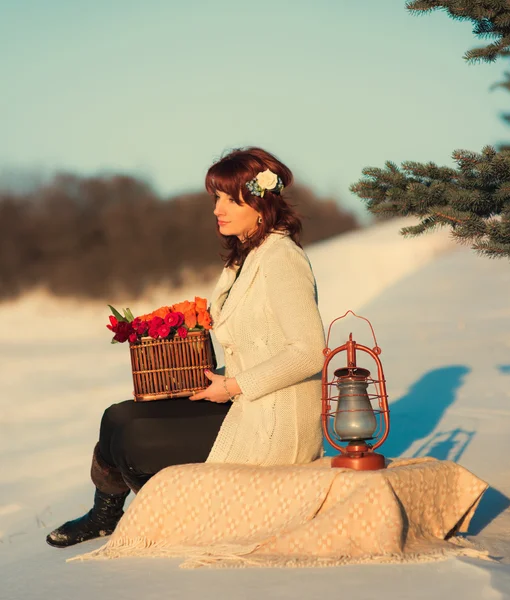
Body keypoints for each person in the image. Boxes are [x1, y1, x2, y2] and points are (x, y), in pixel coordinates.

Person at [46, 147, 327, 548]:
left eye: (232, 199)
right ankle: (104, 515)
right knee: (117, 418)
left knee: (135, 439)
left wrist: (233, 386)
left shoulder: (282, 259)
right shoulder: (245, 258)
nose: (218, 209)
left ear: (261, 203)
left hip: (273, 424)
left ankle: (178, 516)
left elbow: (309, 350)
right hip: (244, 399)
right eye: (217, 198)